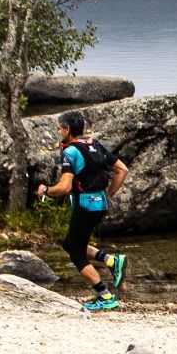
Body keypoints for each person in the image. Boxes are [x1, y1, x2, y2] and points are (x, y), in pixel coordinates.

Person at [41, 109, 130, 311]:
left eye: (60, 127)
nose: (57, 130)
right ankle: (111, 261)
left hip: (84, 205)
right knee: (69, 243)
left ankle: (105, 296)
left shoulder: (70, 152)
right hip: (99, 204)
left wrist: (46, 190)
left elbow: (64, 187)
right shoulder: (95, 144)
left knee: (76, 253)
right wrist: (109, 194)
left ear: (67, 129)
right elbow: (122, 169)